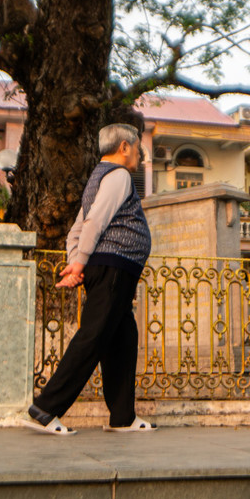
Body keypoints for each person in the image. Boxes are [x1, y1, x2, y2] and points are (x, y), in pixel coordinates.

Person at [27, 123, 155, 435]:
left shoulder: (96, 180)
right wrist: (79, 262)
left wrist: (75, 263)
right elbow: (95, 222)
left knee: (123, 338)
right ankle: (46, 409)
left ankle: (122, 417)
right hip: (114, 266)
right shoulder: (119, 175)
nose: (139, 153)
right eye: (137, 147)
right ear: (124, 147)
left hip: (117, 269)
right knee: (94, 336)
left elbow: (77, 228)